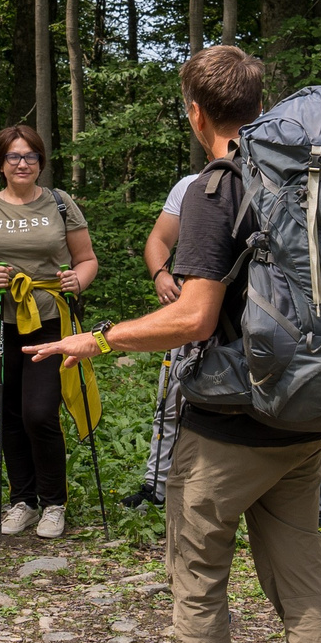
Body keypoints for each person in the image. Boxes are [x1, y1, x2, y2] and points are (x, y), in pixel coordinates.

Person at [27, 45, 321, 643]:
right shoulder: (313, 179)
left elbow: (197, 315)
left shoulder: (218, 187)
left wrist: (98, 338)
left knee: (198, 583)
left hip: (230, 425)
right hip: (305, 416)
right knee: (305, 590)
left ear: (196, 112)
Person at [0, 125, 98, 538]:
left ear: (40, 161)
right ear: (1, 163)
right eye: (14, 156)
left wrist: (78, 281)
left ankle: (53, 503)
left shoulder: (61, 204)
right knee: (10, 412)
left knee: (40, 411)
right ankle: (23, 500)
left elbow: (86, 258)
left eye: (30, 156)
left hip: (49, 318)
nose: (22, 163)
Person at [115, 169, 206, 513]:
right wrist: (160, 274)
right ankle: (157, 486)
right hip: (188, 303)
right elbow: (158, 239)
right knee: (171, 398)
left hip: (248, 308)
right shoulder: (189, 185)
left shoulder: (268, 176)